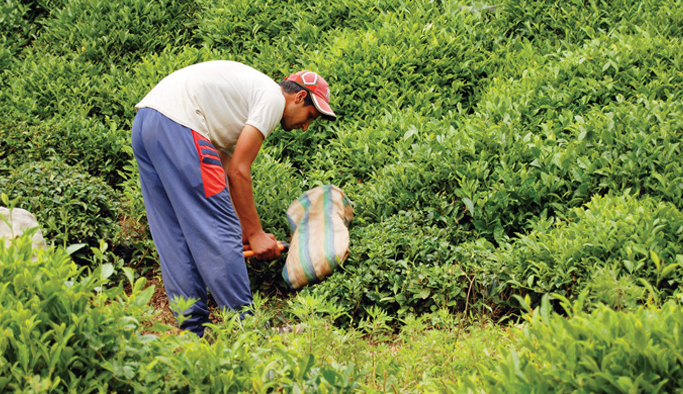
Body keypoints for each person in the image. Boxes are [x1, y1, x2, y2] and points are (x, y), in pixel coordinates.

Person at [130, 60, 336, 337]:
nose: (305, 127)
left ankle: (194, 332)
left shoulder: (237, 107)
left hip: (146, 123)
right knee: (220, 229)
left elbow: (223, 174)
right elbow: (239, 171)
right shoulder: (273, 98)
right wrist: (255, 233)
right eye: (310, 115)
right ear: (299, 97)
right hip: (181, 125)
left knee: (174, 234)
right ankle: (248, 329)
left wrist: (243, 232)